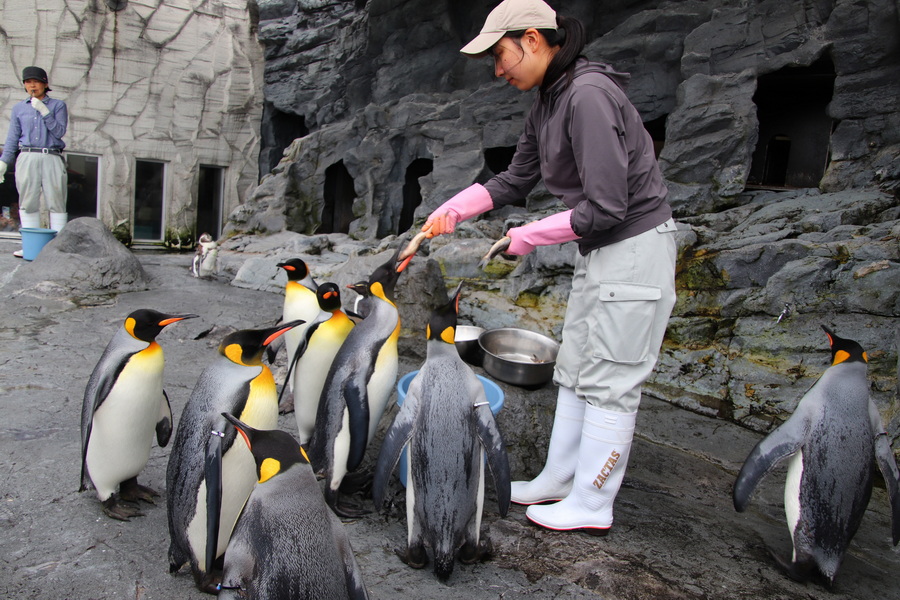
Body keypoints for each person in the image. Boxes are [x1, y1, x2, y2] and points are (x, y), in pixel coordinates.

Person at [423, 0, 677, 535]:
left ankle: (592, 500)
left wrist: (527, 237)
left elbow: (608, 206)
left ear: (534, 39)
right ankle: (559, 479)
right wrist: (452, 210)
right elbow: (516, 179)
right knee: (579, 367)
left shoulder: (587, 96)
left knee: (610, 379)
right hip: (602, 253)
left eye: (500, 54)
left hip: (633, 251)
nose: (497, 69)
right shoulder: (550, 100)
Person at [0, 66, 68, 257]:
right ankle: (30, 246)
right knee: (27, 201)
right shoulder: (19, 108)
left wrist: (44, 111)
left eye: (36, 81)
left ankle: (58, 249)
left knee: (56, 200)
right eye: (28, 81)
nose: (32, 85)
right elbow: (13, 137)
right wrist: (4, 161)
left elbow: (59, 132)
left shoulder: (58, 106)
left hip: (51, 155)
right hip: (27, 155)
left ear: (45, 84)